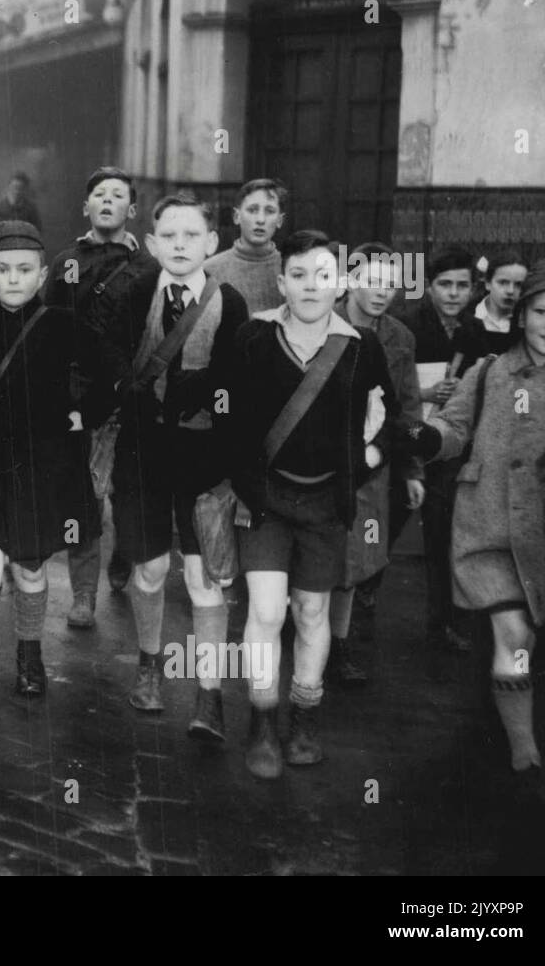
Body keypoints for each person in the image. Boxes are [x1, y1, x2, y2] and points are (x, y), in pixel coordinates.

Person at [403, 256, 545, 805]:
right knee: (514, 637)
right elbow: (452, 428)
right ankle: (525, 756)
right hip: (491, 528)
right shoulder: (489, 373)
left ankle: (494, 717)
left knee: (528, 640)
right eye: (541, 312)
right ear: (520, 315)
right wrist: (425, 438)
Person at [228, 230, 397, 779]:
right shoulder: (253, 337)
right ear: (281, 282)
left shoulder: (361, 346)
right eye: (298, 275)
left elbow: (386, 416)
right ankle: (260, 720)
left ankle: (303, 718)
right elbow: (226, 410)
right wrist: (241, 476)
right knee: (267, 612)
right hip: (267, 500)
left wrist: (364, 461)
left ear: (339, 282)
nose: (310, 285)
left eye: (323, 275)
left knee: (312, 612)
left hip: (326, 502)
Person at [102, 192, 248, 739]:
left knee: (204, 575)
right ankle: (149, 666)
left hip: (203, 457)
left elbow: (238, 377)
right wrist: (125, 386)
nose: (181, 245)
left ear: (212, 244)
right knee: (151, 568)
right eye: (170, 235)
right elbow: (109, 350)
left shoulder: (228, 302)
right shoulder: (135, 290)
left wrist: (210, 393)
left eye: (192, 236)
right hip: (141, 451)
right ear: (152, 241)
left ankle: (209, 694)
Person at [0, 221, 103, 717]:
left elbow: (111, 376)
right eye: (1, 269)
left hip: (43, 468)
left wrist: (84, 415)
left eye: (23, 270)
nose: (13, 279)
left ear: (42, 275)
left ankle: (30, 656)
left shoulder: (63, 324)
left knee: (30, 571)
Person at [44, 166, 155, 626]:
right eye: (99, 194)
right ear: (85, 207)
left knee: (128, 491)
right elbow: (51, 329)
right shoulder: (68, 260)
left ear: (132, 210)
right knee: (83, 499)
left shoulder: (151, 266)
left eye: (118, 195)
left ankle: (125, 555)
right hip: (81, 397)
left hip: (132, 396)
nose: (107, 201)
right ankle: (84, 594)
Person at [328, 244, 424, 686]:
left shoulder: (400, 337)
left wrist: (412, 469)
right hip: (319, 460)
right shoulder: (322, 320)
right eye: (372, 281)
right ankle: (306, 629)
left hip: (371, 463)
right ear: (349, 280)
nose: (381, 292)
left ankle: (338, 646)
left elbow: (406, 406)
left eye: (390, 284)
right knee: (316, 556)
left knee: (355, 558)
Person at [404, 247, 489, 662]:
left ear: (474, 290)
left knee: (443, 534)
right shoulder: (410, 326)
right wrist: (423, 393)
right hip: (407, 438)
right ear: (429, 287)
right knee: (380, 531)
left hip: (450, 445)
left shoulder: (474, 331)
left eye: (462, 286)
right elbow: (389, 383)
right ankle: (357, 616)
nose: (454, 293)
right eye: (445, 285)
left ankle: (441, 626)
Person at [205, 177, 287, 316]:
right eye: (252, 210)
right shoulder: (208, 270)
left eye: (269, 211)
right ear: (237, 216)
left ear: (279, 220)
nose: (260, 219)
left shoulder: (289, 269)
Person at [473, 250, 528, 356]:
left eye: (518, 285)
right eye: (503, 282)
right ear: (488, 283)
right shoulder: (467, 317)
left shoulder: (526, 324)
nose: (510, 291)